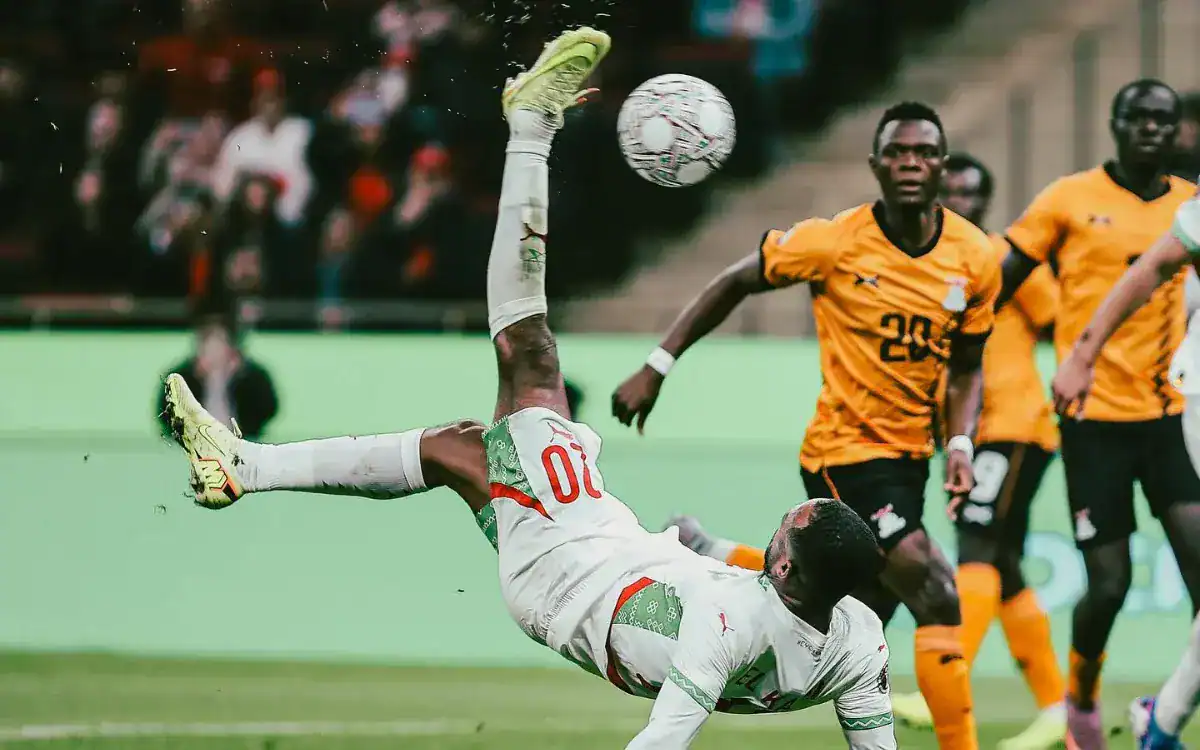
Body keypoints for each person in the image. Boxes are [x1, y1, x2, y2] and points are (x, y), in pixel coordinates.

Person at [161, 28, 898, 750]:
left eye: (785, 527)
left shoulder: (728, 626)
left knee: (530, 355)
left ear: (784, 566)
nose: (778, 528)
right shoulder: (858, 640)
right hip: (603, 564)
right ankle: (246, 467)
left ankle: (533, 125)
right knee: (463, 449)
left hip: (573, 570)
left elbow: (664, 740)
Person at [612, 102, 1001, 750]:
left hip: (910, 459)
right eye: (897, 153)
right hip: (843, 452)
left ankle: (714, 552)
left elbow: (966, 368)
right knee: (936, 590)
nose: (910, 163)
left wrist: (959, 443)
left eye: (924, 152)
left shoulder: (974, 256)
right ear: (876, 165)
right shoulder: (834, 241)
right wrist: (659, 363)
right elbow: (735, 280)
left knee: (858, 606)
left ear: (941, 164)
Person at [666, 153, 1067, 749]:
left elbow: (1058, 325)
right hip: (885, 444)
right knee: (922, 582)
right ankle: (1009, 708)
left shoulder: (994, 259)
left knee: (909, 582)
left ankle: (1045, 704)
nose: (961, 201)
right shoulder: (869, 249)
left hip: (998, 427)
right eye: (953, 189)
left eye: (972, 193)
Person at [998, 78, 1200, 749]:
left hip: (1169, 415)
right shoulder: (1069, 198)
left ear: (1178, 132)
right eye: (1138, 118)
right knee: (1109, 584)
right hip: (1093, 419)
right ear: (1114, 125)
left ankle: (1165, 715)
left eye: (1163, 121)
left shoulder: (1189, 202)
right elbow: (1004, 272)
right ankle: (1081, 693)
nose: (1151, 129)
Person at [156, 296, 277, 441]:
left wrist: (234, 379)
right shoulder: (181, 378)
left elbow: (267, 410)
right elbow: (165, 415)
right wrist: (200, 380)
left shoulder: (253, 377)